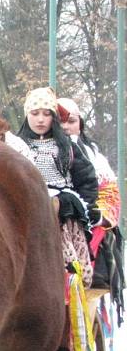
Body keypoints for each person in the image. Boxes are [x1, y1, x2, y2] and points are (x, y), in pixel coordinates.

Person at [16, 87, 100, 287]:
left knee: (68, 275)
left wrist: (83, 210)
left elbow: (87, 181)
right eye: (35, 114)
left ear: (54, 117)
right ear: (27, 115)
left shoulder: (69, 147)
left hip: (65, 219)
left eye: (46, 114)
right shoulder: (17, 146)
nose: (40, 120)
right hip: (29, 216)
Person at [57, 97, 124, 314]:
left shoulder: (96, 157)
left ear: (81, 124)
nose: (66, 127)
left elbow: (110, 195)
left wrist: (97, 216)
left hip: (88, 225)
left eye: (72, 121)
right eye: (61, 122)